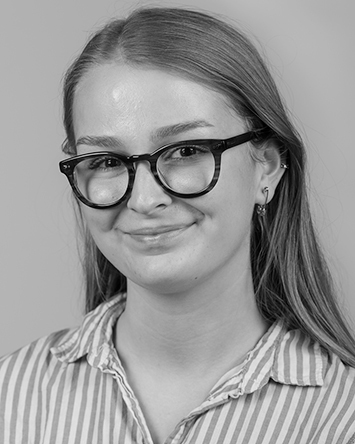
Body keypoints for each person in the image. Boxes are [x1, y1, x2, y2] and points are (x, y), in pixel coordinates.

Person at [1, 6, 355, 444]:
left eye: (186, 151)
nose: (145, 199)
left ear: (266, 167)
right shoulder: (9, 395)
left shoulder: (343, 414)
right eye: (107, 161)